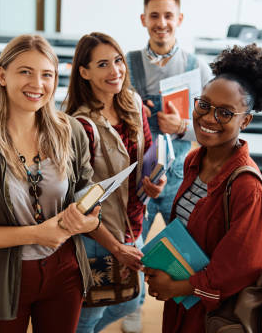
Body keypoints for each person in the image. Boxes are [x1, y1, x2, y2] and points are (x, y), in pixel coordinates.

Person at [0, 34, 101, 332]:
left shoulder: (71, 131)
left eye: (47, 75)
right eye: (25, 71)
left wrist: (88, 220)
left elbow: (87, 193)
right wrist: (36, 234)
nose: (37, 84)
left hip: (65, 271)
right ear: (2, 75)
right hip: (1, 277)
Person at [144, 44, 262, 332]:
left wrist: (179, 286)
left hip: (216, 313)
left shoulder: (246, 186)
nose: (209, 118)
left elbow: (241, 267)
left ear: (245, 120)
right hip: (184, 299)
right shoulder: (194, 160)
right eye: (204, 105)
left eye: (225, 113)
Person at [64, 32, 166, 333]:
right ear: (84, 72)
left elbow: (147, 148)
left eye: (118, 60)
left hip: (133, 225)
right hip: (97, 234)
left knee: (131, 301)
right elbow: (77, 203)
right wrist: (116, 247)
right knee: (88, 315)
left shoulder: (132, 102)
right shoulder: (79, 125)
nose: (115, 71)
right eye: (103, 64)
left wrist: (153, 184)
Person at [123, 0, 211, 331]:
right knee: (132, 244)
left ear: (180, 20)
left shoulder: (197, 67)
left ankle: (184, 313)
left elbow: (213, 127)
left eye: (168, 16)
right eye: (154, 15)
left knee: (186, 249)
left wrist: (184, 125)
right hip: (137, 176)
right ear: (144, 20)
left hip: (182, 176)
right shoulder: (126, 62)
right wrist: (135, 115)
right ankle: (132, 305)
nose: (161, 23)